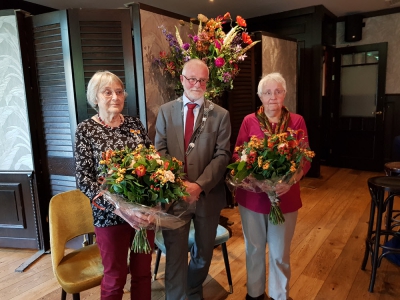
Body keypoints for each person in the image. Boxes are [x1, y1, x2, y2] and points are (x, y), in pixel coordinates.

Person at [155, 58, 231, 300]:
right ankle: (176, 297)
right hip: (175, 197)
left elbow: (222, 155)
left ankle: (193, 289)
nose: (196, 84)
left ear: (207, 82)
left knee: (203, 253)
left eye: (202, 80)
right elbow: (160, 151)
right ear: (182, 80)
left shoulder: (220, 115)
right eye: (191, 79)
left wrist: (199, 186)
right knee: (175, 254)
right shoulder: (166, 111)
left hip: (208, 196)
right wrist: (179, 185)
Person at [74, 71, 154, 300]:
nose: (115, 97)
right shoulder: (86, 130)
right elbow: (84, 179)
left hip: (141, 215)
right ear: (95, 97)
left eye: (119, 92)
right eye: (107, 92)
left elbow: (153, 165)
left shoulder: (135, 125)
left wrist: (154, 205)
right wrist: (117, 208)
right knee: (115, 276)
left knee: (142, 274)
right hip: (109, 217)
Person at [232, 73, 311, 300]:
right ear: (260, 96)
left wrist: (291, 180)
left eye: (278, 91)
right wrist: (254, 179)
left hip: (285, 197)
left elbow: (305, 158)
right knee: (254, 249)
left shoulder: (297, 121)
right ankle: (254, 294)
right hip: (253, 199)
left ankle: (279, 295)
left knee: (279, 253)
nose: (273, 97)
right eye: (267, 92)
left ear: (285, 94)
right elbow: (238, 153)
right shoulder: (249, 121)